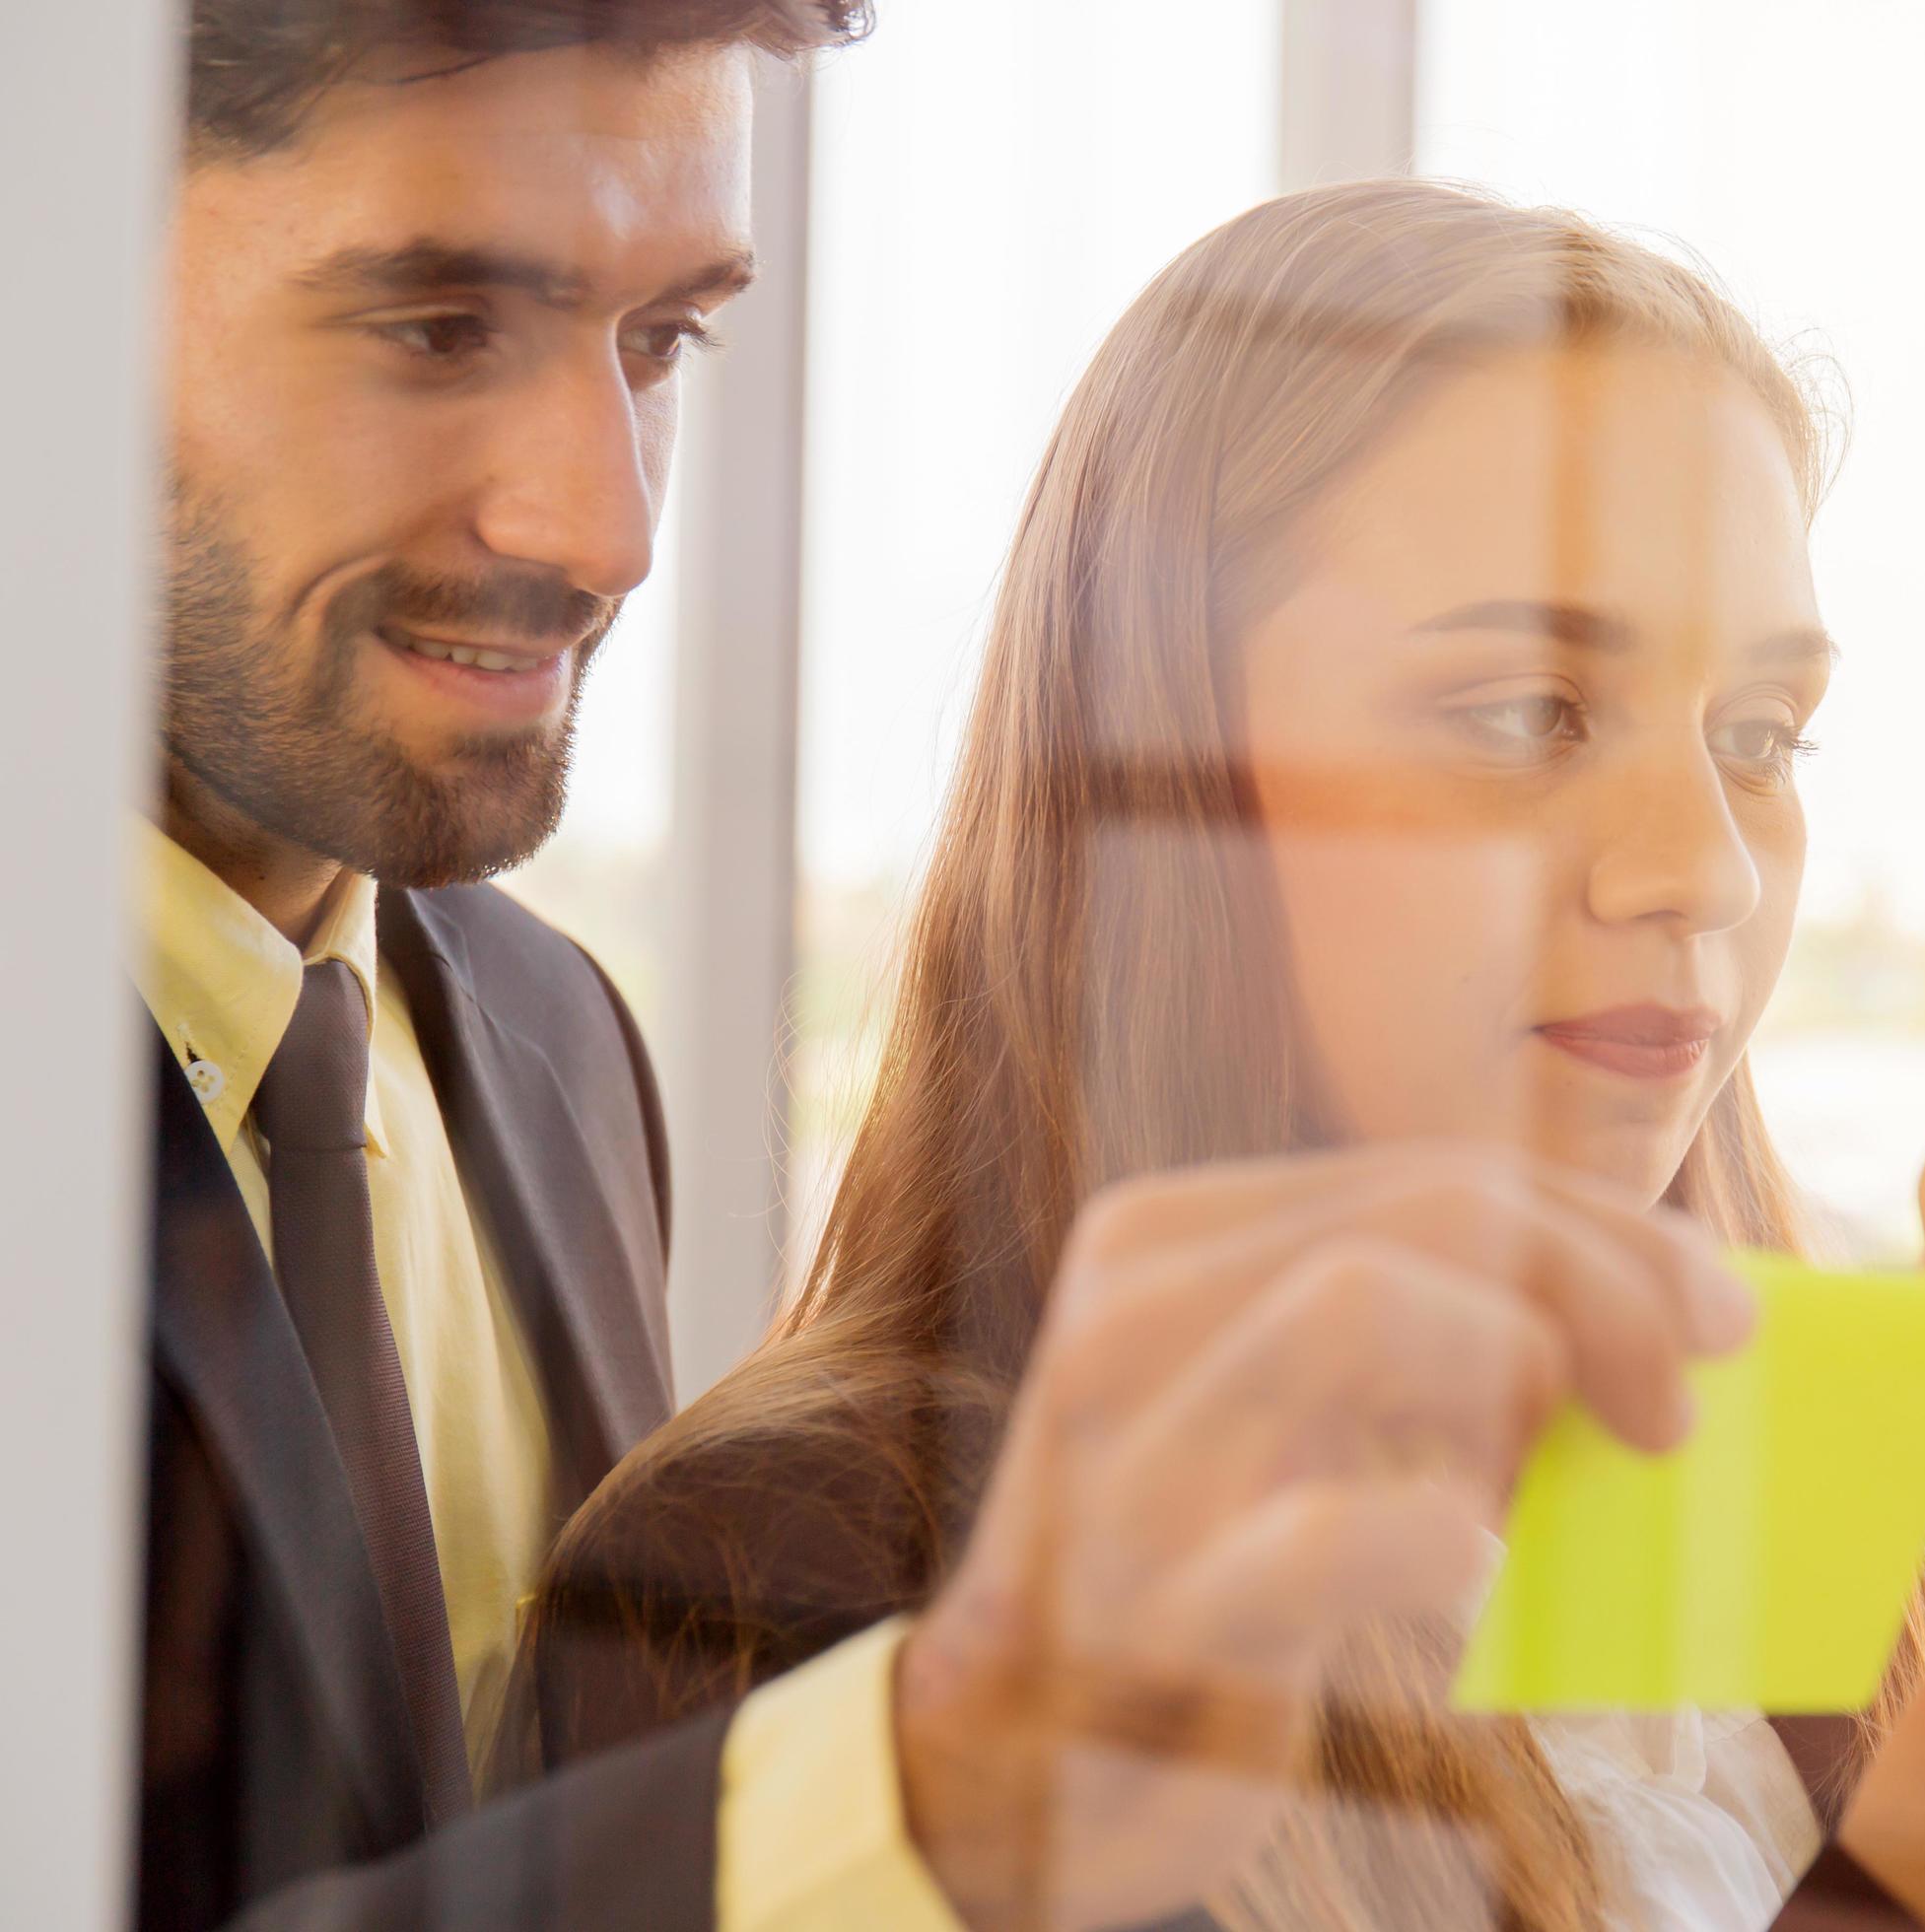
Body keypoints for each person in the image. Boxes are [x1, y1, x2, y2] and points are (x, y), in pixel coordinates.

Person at [519, 180, 1925, 1929]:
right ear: (1163, 782)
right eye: (1521, 712)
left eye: (1758, 741)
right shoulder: (809, 1595)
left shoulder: (1827, 1505)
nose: (1697, 871)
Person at [144, 8, 1541, 1930]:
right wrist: (921, 1792)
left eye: (662, 341)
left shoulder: (551, 1042)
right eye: (438, 327)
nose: (604, 523)